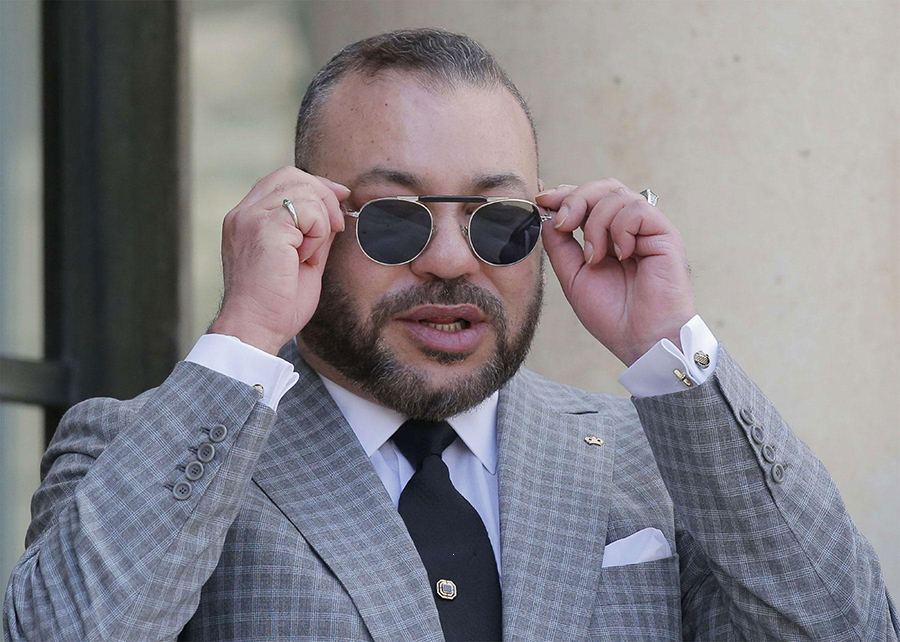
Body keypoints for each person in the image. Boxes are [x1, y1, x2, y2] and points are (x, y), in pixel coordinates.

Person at [4, 28, 897, 642]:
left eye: (497, 221)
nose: (448, 259)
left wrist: (670, 350)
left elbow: (847, 628)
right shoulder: (143, 451)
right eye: (395, 218)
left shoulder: (659, 460)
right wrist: (245, 333)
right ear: (309, 224)